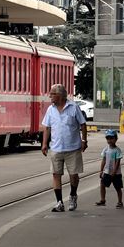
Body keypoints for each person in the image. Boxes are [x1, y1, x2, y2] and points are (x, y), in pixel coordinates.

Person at [41, 83, 87, 212]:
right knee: (56, 174)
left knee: (73, 175)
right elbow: (47, 127)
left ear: (60, 95)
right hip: (56, 148)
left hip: (73, 148)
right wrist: (44, 144)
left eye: (52, 94)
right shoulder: (50, 109)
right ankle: (59, 202)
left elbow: (83, 124)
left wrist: (84, 140)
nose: (50, 96)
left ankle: (73, 195)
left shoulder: (73, 107)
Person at [96, 129, 124, 208]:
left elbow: (117, 162)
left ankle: (120, 202)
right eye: (108, 138)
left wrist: (114, 172)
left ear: (116, 139)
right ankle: (102, 200)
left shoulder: (117, 150)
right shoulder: (106, 149)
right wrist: (101, 171)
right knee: (102, 184)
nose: (109, 140)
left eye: (111, 138)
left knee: (118, 187)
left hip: (116, 173)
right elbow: (103, 160)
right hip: (107, 172)